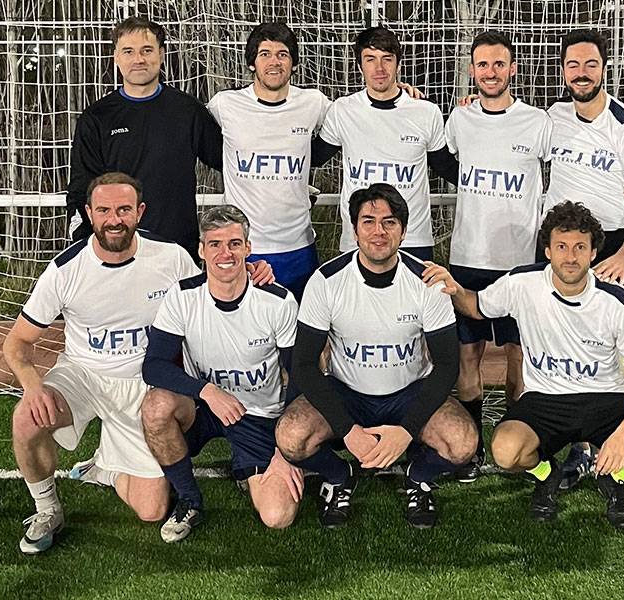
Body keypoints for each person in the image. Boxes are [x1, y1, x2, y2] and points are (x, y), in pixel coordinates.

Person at [423, 201, 624, 530]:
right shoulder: (522, 283)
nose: (570, 257)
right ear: (547, 251)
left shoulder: (617, 301)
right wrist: (454, 287)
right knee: (505, 450)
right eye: (561, 246)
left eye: (580, 247)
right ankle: (547, 474)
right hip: (545, 399)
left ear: (593, 253)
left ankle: (615, 477)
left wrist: (623, 436)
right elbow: (476, 307)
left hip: (607, 399)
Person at [4, 172, 201, 554]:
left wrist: (251, 276)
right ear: (89, 213)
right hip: (83, 375)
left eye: (124, 209)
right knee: (26, 418)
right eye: (105, 210)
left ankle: (107, 468)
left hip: (144, 384)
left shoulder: (171, 257)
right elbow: (17, 343)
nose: (114, 219)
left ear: (140, 212)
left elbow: (206, 305)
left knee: (152, 510)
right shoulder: (66, 269)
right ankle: (47, 509)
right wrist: (33, 385)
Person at [275, 183, 477, 529]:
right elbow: (304, 365)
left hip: (409, 393)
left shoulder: (427, 281)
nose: (379, 231)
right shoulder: (325, 281)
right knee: (291, 438)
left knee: (463, 444)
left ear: (403, 230)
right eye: (368, 221)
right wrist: (348, 431)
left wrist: (406, 430)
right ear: (354, 230)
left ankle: (418, 477)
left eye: (389, 222)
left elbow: (447, 366)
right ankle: (339, 476)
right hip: (347, 393)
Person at [545, 28, 624, 488]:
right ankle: (573, 444)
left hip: (609, 246)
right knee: (560, 344)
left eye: (590, 64)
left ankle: (612, 444)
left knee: (609, 351)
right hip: (559, 245)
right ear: (562, 71)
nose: (582, 73)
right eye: (573, 65)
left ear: (603, 68)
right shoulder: (553, 117)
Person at [141, 205, 303, 542]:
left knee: (278, 515)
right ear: (201, 250)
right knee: (156, 407)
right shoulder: (182, 297)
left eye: (234, 243)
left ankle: (250, 468)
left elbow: (298, 374)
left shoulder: (277, 301)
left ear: (248, 248)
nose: (224, 253)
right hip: (203, 408)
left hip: (259, 416)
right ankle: (189, 500)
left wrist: (286, 450)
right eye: (214, 244)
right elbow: (153, 366)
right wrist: (207, 391)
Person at [441, 30, 552, 481]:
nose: (491, 72)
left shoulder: (537, 122)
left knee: (517, 359)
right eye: (483, 65)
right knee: (467, 357)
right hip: (468, 258)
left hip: (520, 264)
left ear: (512, 69)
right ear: (472, 70)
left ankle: (514, 441)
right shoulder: (459, 119)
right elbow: (438, 153)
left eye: (499, 64)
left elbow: (569, 162)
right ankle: (471, 448)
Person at [65, 17, 222, 257]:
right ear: (116, 58)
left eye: (146, 50)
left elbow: (230, 161)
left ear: (161, 54)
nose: (138, 59)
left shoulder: (188, 111)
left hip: (177, 250)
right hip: (118, 251)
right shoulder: (97, 118)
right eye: (128, 51)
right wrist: (86, 246)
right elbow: (81, 190)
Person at [207, 22, 332, 298]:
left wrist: (400, 95)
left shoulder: (313, 103)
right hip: (244, 247)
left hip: (298, 247)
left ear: (294, 64)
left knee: (301, 324)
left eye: (282, 54)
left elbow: (355, 117)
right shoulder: (225, 104)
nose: (274, 62)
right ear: (252, 63)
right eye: (265, 54)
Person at [315, 26, 459, 260]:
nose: (379, 68)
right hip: (359, 240)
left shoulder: (425, 112)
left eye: (387, 59)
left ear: (398, 64)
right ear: (360, 66)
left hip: (413, 240)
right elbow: (312, 158)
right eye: (370, 59)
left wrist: (479, 112)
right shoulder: (343, 110)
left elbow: (447, 168)